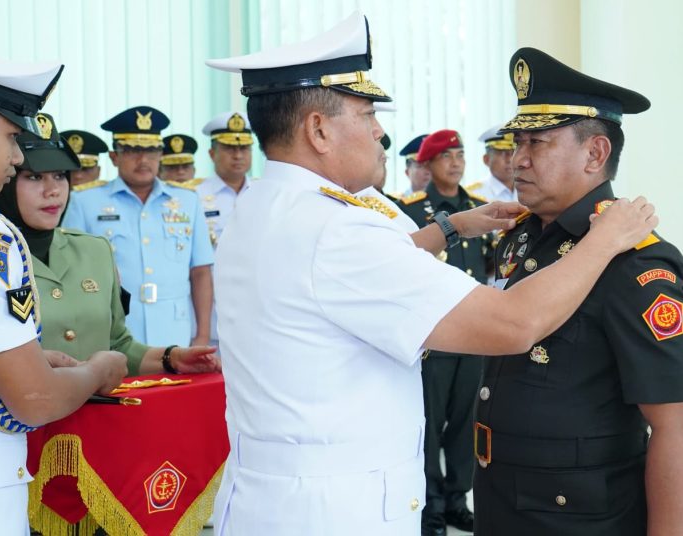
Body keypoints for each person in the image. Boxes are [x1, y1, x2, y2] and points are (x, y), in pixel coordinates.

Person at [205, 12, 656, 536]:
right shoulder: (336, 230)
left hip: (274, 501)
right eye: (367, 113)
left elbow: (341, 279)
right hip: (335, 512)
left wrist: (452, 226)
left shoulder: (266, 204)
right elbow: (511, 324)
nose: (380, 131)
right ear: (319, 129)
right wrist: (605, 238)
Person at [473, 47, 683, 536]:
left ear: (595, 153)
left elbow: (674, 423)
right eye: (515, 142)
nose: (516, 159)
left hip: (578, 515)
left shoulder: (634, 261)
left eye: (536, 143)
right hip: (503, 498)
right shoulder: (523, 235)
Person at [0, 44, 127, 534]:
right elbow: (35, 399)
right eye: (11, 137)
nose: (17, 157)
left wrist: (29, 360)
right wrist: (95, 371)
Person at [0, 113, 221, 377]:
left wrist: (171, 358)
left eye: (60, 175)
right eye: (35, 178)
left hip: (103, 413)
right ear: (7, 180)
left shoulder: (95, 251)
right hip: (25, 415)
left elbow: (118, 345)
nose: (53, 190)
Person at [398, 129, 493, 535]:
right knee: (430, 424)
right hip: (433, 336)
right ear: (428, 165)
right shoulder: (412, 209)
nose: (455, 163)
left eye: (460, 154)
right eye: (446, 156)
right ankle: (430, 507)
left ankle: (457, 499)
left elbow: (487, 269)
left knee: (465, 423)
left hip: (471, 333)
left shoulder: (478, 207)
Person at [62, 106, 214, 347]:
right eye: (132, 150)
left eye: (151, 150)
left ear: (161, 154)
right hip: (114, 333)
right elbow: (72, 275)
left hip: (175, 330)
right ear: (114, 156)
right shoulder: (85, 202)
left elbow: (201, 272)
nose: (143, 160)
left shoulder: (187, 201)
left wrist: (203, 335)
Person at [185, 111, 254, 248]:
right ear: (212, 154)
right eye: (230, 148)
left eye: (244, 148)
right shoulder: (193, 195)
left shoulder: (263, 191)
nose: (238, 156)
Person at [466, 124, 517, 203]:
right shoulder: (472, 195)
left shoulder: (530, 189)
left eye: (513, 152)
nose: (509, 159)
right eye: (502, 153)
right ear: (486, 159)